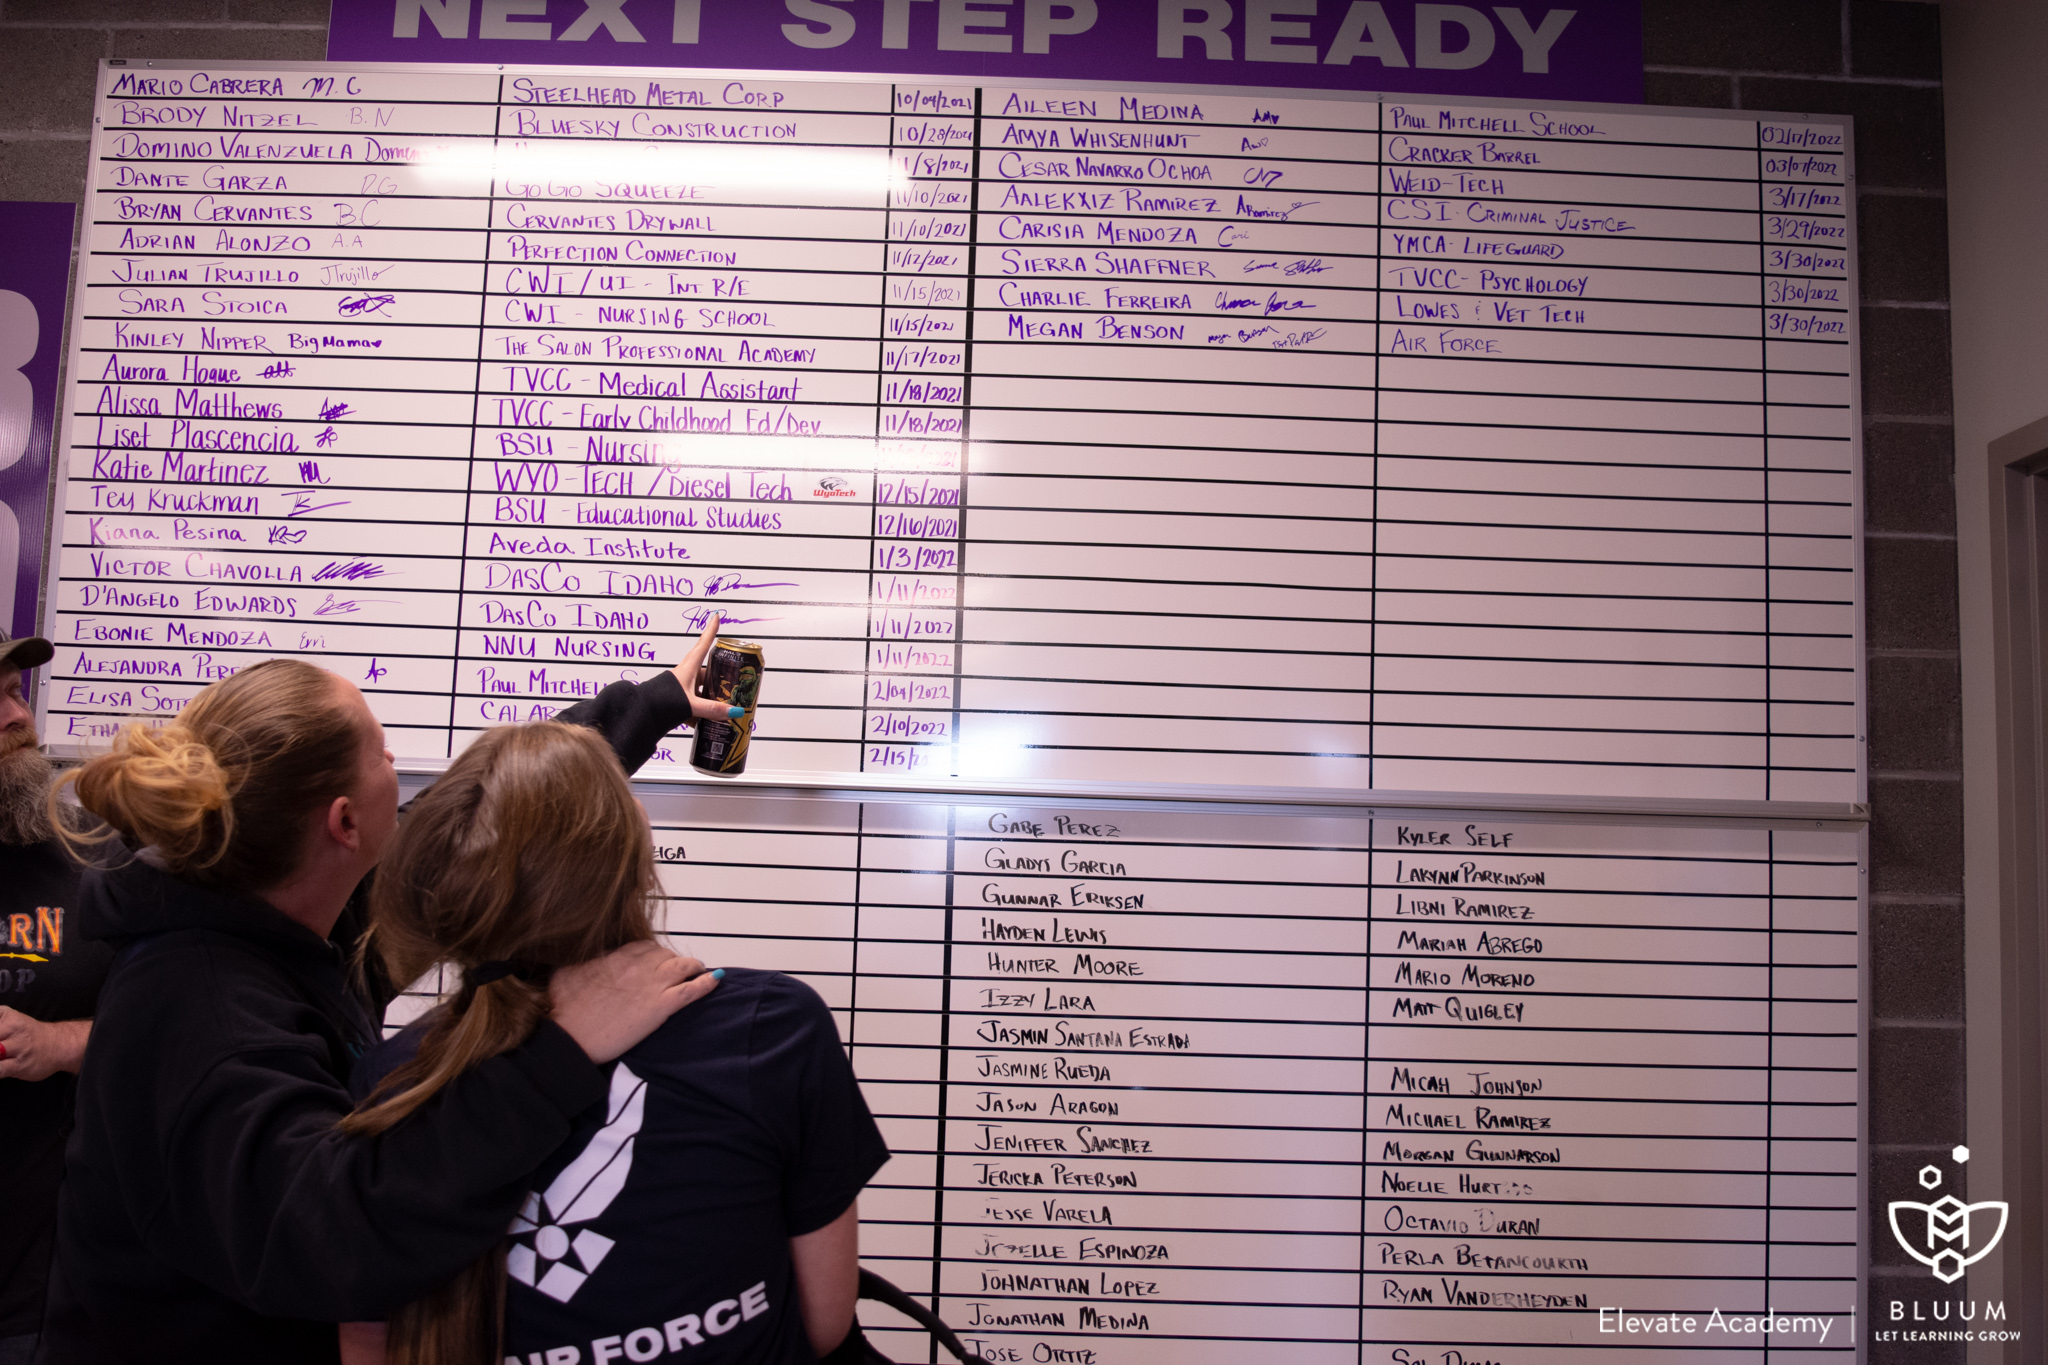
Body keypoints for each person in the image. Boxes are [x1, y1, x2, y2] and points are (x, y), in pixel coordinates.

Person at [36, 625, 744, 1365]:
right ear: (343, 822)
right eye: (380, 752)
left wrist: (653, 704)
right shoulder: (200, 1012)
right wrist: (557, 1051)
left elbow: (466, 833)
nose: (398, 767)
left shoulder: (283, 913)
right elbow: (333, 1237)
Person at [339, 721, 889, 1365]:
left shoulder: (394, 1077)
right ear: (634, 853)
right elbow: (825, 1324)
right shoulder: (771, 1027)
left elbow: (369, 1341)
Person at [0, 631, 113, 1365]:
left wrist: (56, 1043)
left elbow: (183, 1034)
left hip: (43, 1298)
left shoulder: (96, 852)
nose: (17, 716)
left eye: (13, 691)